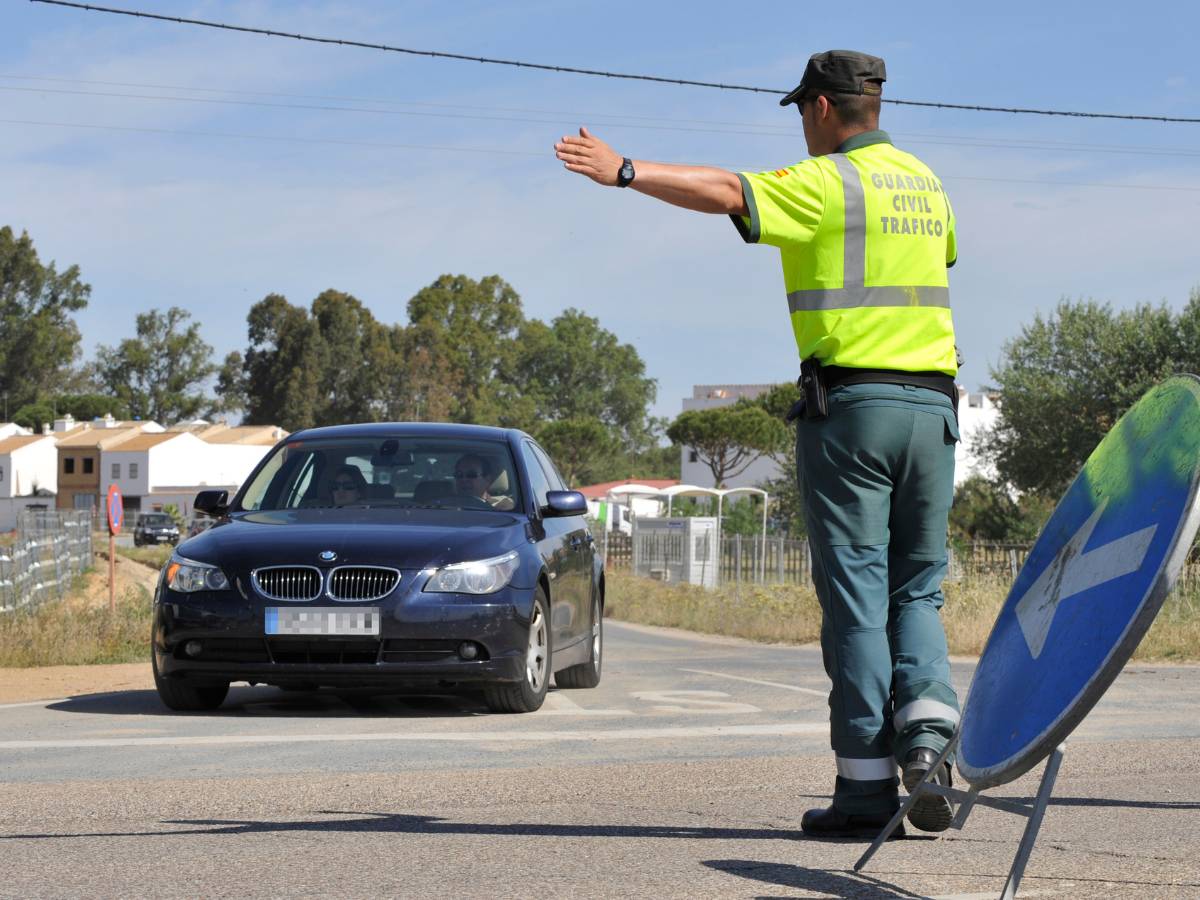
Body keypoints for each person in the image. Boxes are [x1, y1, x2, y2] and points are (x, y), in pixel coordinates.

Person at [555, 49, 960, 839]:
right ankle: (930, 744)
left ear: (818, 108)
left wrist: (626, 171)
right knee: (919, 590)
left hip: (856, 409)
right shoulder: (928, 184)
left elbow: (727, 190)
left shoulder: (825, 182)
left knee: (857, 600)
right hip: (935, 410)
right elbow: (933, 262)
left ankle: (866, 794)